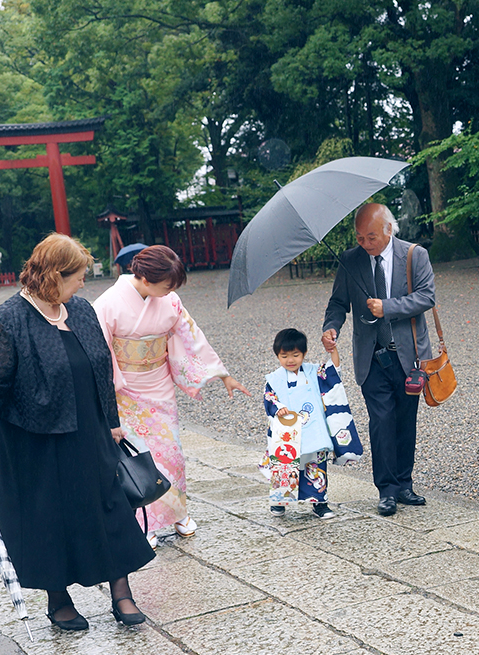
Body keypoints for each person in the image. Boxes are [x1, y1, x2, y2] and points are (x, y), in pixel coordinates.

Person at [0, 233, 153, 631]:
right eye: (78, 275)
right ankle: (58, 598)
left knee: (109, 507)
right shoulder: (6, 320)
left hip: (89, 431)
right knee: (48, 517)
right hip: (36, 439)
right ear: (53, 276)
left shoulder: (79, 310)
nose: (84, 283)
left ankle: (122, 592)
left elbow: (101, 370)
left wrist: (112, 421)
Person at [93, 245, 250, 549]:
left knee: (171, 453)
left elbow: (191, 338)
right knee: (137, 456)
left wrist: (221, 374)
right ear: (146, 278)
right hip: (125, 390)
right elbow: (100, 353)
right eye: (167, 285)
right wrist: (109, 392)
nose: (170, 292)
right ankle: (145, 521)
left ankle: (178, 512)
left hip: (160, 385)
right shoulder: (107, 304)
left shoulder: (170, 301)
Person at [322, 203, 435, 516]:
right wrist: (331, 327)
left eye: (370, 237)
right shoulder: (349, 260)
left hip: (409, 355)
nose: (364, 243)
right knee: (381, 421)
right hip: (371, 356)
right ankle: (386, 489)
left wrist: (388, 307)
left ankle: (404, 483)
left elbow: (427, 296)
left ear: (389, 230)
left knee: (405, 421)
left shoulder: (414, 255)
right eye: (359, 237)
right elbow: (337, 303)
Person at [261, 328, 363, 519]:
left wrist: (332, 350)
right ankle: (279, 501)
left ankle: (319, 503)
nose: (290, 360)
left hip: (313, 429)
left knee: (316, 466)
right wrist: (278, 408)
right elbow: (269, 398)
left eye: (296, 355)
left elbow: (332, 372)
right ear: (277, 356)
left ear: (304, 353)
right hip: (288, 432)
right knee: (284, 464)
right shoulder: (274, 379)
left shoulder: (314, 372)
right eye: (284, 356)